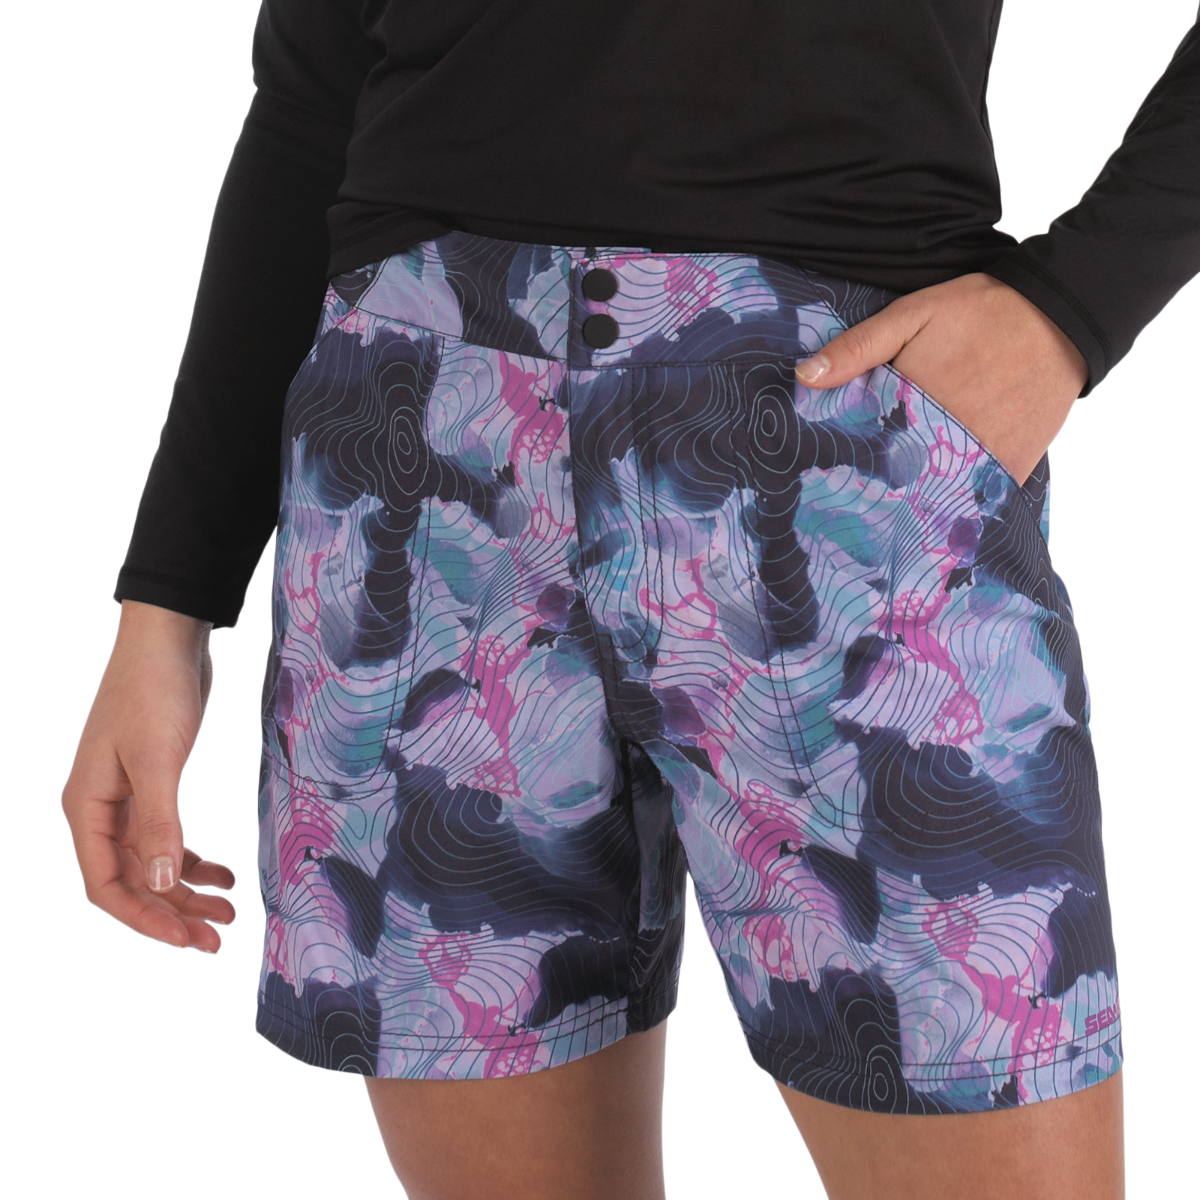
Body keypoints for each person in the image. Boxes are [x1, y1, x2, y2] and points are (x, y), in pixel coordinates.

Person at [60, 3, 1198, 1197]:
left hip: (837, 441)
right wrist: (168, 608)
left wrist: (1075, 306)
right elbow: (311, 95)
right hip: (415, 457)